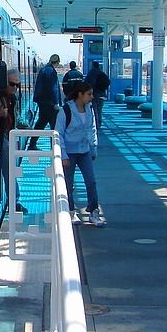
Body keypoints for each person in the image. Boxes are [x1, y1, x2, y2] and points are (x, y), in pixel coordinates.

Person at [54, 81, 104, 227]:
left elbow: (92, 129)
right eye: (89, 94)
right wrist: (63, 155)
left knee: (91, 181)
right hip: (69, 153)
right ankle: (71, 211)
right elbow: (58, 134)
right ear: (80, 95)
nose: (92, 97)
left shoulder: (90, 109)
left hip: (85, 151)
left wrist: (93, 148)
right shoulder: (65, 111)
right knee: (69, 184)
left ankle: (93, 211)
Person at [0, 68, 27, 214]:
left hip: (9, 136)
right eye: (11, 84)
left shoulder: (13, 99)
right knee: (10, 170)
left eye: (17, 85)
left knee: (11, 170)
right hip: (0, 139)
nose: (15, 88)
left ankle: (14, 200)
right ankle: (14, 201)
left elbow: (14, 118)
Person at [28, 54, 62, 151]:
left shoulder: (44, 69)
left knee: (41, 123)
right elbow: (53, 88)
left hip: (43, 102)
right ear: (57, 62)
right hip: (49, 103)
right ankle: (54, 148)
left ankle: (33, 144)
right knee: (53, 125)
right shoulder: (51, 71)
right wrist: (56, 102)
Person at [85, 60, 111, 130]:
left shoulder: (91, 73)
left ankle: (96, 124)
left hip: (94, 94)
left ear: (93, 65)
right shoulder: (102, 73)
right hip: (102, 94)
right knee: (100, 109)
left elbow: (86, 83)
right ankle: (99, 123)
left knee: (94, 109)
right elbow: (108, 82)